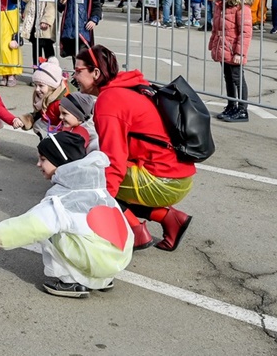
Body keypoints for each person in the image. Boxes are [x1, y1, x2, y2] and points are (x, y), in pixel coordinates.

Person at [72, 45, 196, 252]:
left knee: (89, 177)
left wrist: (102, 203)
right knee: (101, 174)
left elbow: (113, 160)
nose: (73, 77)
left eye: (78, 71)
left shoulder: (109, 101)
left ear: (95, 72)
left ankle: (136, 230)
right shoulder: (129, 85)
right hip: (178, 175)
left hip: (163, 180)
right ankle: (170, 218)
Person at [0, 131, 131, 298]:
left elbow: (29, 226)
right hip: (118, 258)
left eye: (43, 159)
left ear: (60, 161)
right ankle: (103, 279)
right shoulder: (98, 189)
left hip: (97, 260)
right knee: (86, 233)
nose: (38, 164)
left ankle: (71, 281)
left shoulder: (62, 200)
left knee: (50, 230)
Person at [209, 0, 253, 122]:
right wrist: (213, 44)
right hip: (223, 47)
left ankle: (242, 110)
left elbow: (245, 32)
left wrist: (240, 52)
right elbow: (216, 27)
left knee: (237, 78)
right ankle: (231, 105)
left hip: (234, 47)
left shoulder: (240, 6)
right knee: (228, 78)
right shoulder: (219, 4)